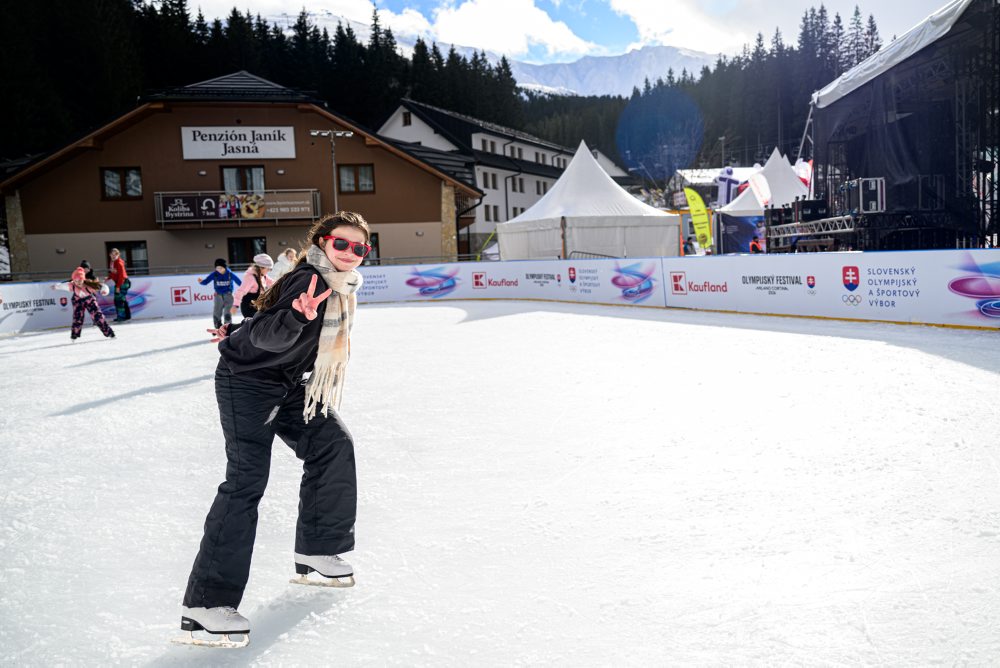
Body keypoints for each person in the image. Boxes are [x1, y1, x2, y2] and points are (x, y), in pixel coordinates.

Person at [178, 212, 371, 647]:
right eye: (342, 245)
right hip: (246, 383)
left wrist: (277, 328)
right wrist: (296, 319)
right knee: (246, 481)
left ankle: (317, 551)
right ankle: (205, 604)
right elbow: (264, 335)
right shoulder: (309, 280)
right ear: (322, 242)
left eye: (360, 248)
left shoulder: (339, 287)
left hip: (284, 383)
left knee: (332, 443)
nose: (351, 255)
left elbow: (269, 333)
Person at [52, 266, 115, 340]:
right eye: (75, 280)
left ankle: (109, 333)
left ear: (83, 279)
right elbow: (63, 286)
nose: (78, 282)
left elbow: (103, 286)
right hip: (77, 301)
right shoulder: (72, 285)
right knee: (78, 318)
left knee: (98, 317)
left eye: (80, 280)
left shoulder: (89, 285)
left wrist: (104, 291)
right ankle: (74, 335)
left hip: (89, 300)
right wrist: (56, 286)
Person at [199, 258, 242, 329]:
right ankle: (217, 327)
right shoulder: (214, 274)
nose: (218, 269)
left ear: (224, 267)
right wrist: (201, 281)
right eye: (217, 268)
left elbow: (240, 283)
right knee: (217, 312)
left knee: (227, 313)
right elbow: (206, 281)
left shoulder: (230, 274)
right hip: (218, 296)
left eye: (220, 268)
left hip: (228, 296)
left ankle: (227, 328)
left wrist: (246, 289)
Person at [233, 253, 274, 319]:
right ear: (261, 267)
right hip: (249, 308)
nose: (269, 271)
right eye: (268, 269)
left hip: (257, 306)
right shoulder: (250, 277)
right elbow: (241, 291)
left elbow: (273, 283)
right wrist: (235, 305)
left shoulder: (263, 276)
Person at [105, 248, 131, 322]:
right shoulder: (112, 262)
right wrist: (108, 277)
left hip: (123, 283)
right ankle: (126, 316)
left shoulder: (119, 263)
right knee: (121, 299)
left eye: (115, 254)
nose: (114, 256)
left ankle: (122, 317)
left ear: (118, 255)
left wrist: (118, 287)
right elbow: (113, 272)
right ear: (110, 255)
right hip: (119, 282)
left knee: (119, 300)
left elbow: (121, 276)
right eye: (112, 254)